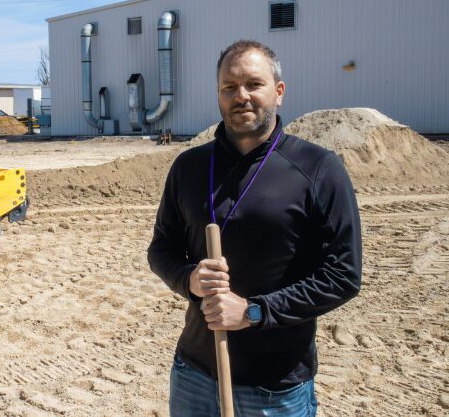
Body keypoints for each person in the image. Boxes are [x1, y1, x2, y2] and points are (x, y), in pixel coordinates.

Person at [148, 40, 362, 416]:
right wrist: (190, 280)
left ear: (278, 92)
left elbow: (343, 276)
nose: (241, 96)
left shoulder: (318, 169)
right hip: (194, 373)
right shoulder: (189, 167)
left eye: (253, 84)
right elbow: (161, 249)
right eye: (229, 87)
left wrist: (253, 312)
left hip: (274, 388)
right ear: (218, 95)